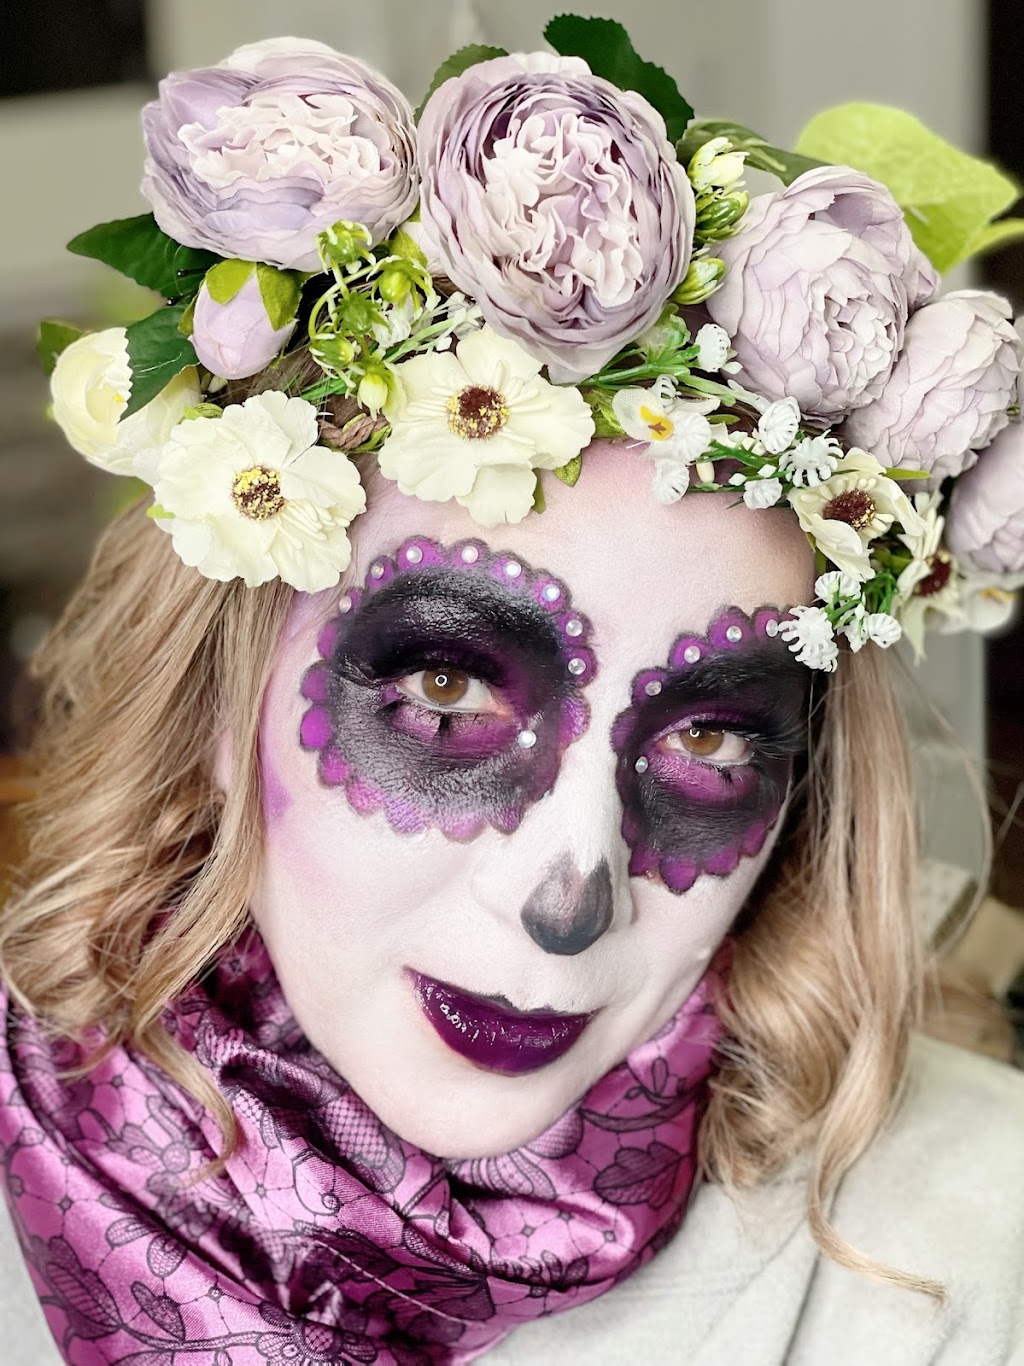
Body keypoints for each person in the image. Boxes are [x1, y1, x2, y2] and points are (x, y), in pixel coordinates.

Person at [2, 21, 1024, 1366]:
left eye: (713, 737)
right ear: (215, 689)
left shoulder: (962, 1255)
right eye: (445, 689)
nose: (570, 899)